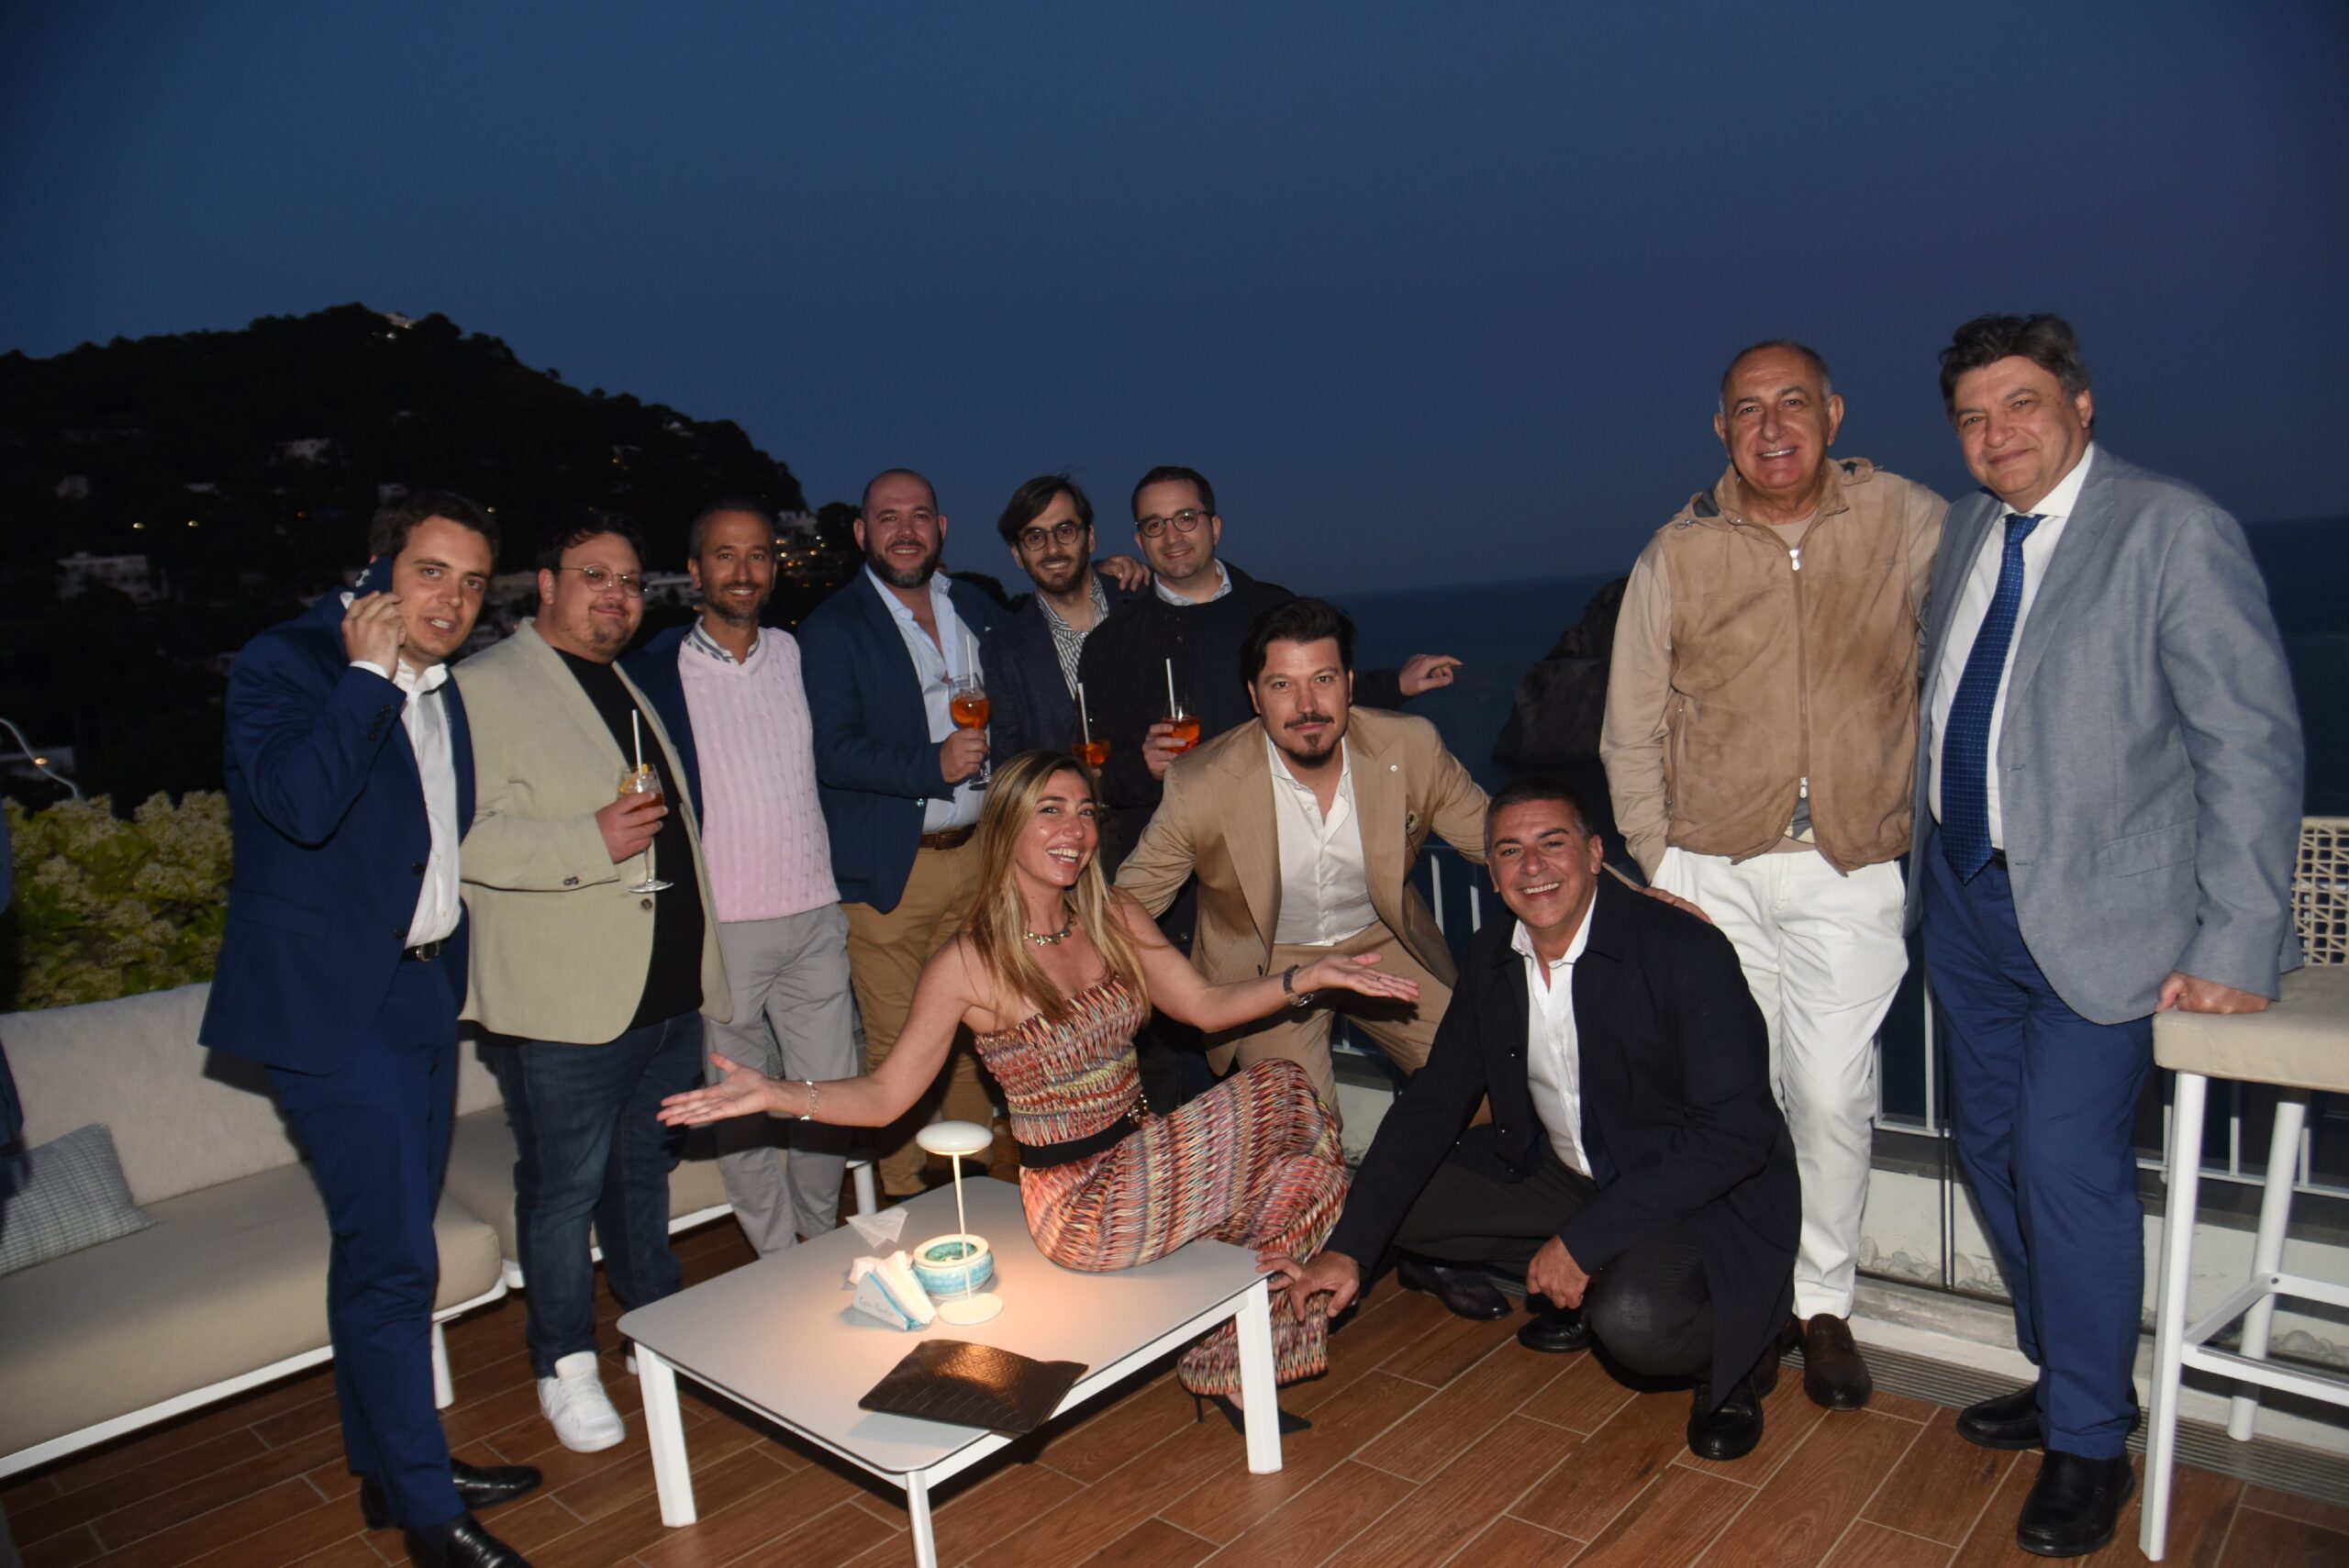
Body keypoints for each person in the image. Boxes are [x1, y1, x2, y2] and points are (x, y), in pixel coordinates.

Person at [659, 750, 1419, 1403]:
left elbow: (1206, 1006)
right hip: (1079, 1203)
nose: (1074, 830)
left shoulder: (1114, 915)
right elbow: (888, 1095)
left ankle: (1230, 1349)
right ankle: (1225, 1325)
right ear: (1005, 827)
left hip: (1145, 1154)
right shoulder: (970, 961)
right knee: (1281, 1084)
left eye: (1085, 812)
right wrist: (775, 1092)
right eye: (1050, 810)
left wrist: (1309, 975)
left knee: (1317, 1179)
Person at [1911, 314, 2303, 1557]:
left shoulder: (2171, 529)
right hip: (1965, 902)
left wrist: (2237, 940)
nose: (1996, 435)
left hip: (2105, 921)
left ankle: (2090, 1442)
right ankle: (2068, 1371)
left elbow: (2248, 742)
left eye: (2021, 404)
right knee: (1989, 1148)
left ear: (2081, 405)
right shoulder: (1966, 529)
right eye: (1973, 417)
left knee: (2062, 1162)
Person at [1598, 339, 1947, 1411]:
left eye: (1793, 402)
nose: (1772, 425)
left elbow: (1974, 655)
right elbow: (1628, 725)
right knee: (1728, 1098)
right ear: (1721, 429)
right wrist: (1661, 862)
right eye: (1748, 408)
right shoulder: (1678, 551)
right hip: (1712, 869)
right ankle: (1747, 1306)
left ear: (1833, 414)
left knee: (1831, 1095)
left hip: (1850, 861)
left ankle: (1822, 1302)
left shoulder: (1906, 520)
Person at [1264, 780, 1800, 1463]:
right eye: (1510, 851)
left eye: (1553, 842)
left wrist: (1582, 1240)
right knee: (1392, 1206)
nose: (1533, 866)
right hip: (1575, 1172)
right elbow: (1434, 1102)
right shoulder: (1494, 953)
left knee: (1636, 1321)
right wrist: (1350, 1248)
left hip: (1697, 1194)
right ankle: (1599, 1277)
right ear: (1492, 874)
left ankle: (1741, 1350)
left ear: (1596, 854)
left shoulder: (1683, 949)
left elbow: (1734, 1135)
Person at [201, 493, 540, 1567]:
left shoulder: (449, 691)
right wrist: (367, 677)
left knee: (377, 1248)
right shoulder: (289, 661)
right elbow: (300, 806)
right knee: (397, 1263)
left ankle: (390, 1470)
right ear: (378, 570)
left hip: (423, 995)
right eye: (432, 571)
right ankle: (431, 1516)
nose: (454, 599)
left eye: (473, 581)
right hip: (334, 1008)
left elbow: (429, 839)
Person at [456, 511, 730, 1456]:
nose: (616, 594)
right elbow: (454, 837)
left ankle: (656, 1324)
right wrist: (589, 839)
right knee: (562, 1190)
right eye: (593, 576)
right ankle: (562, 1362)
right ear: (545, 584)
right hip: (564, 1004)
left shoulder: (624, 683)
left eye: (629, 580)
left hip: (662, 996)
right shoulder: (483, 687)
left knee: (642, 1173)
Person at [1115, 597, 1486, 1118]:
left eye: (1323, 679)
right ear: (1255, 696)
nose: (1307, 705)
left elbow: (1502, 839)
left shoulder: (1409, 746)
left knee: (1478, 1087)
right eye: (1282, 685)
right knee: (1304, 1132)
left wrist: (1603, 889)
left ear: (1349, 684)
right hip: (1269, 963)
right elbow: (1126, 902)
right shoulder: (1202, 782)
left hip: (1383, 941)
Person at [623, 499, 858, 1256]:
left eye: (758, 554)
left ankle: (820, 1236)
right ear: (695, 571)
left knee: (827, 1092)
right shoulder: (657, 673)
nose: (743, 570)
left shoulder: (798, 654)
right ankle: (775, 1254)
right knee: (739, 1102)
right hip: (723, 928)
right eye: (724, 555)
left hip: (815, 912)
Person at [797, 469, 1011, 1197]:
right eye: (888, 517)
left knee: (973, 1031)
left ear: (941, 528)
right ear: (863, 533)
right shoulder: (831, 627)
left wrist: (1112, 584)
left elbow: (1038, 659)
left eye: (920, 515)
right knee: (897, 1042)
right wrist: (931, 763)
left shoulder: (975, 605)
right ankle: (908, 1196)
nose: (906, 530)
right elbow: (832, 750)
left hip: (979, 857)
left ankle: (974, 1186)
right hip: (893, 867)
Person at [1076, 464, 1460, 852]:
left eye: (1186, 518)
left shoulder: (1274, 609)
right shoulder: (1110, 646)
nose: (1172, 535)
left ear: (1215, 527)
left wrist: (1398, 684)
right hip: (1181, 860)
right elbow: (1094, 774)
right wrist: (1143, 768)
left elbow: (1321, 695)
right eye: (1155, 525)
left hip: (1287, 846)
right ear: (1140, 541)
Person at [978, 473, 1146, 763]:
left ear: (1090, 537)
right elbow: (1010, 766)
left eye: (1065, 531)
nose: (1052, 548)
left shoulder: (1143, 601)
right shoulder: (1003, 653)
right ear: (1017, 553)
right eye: (1035, 537)